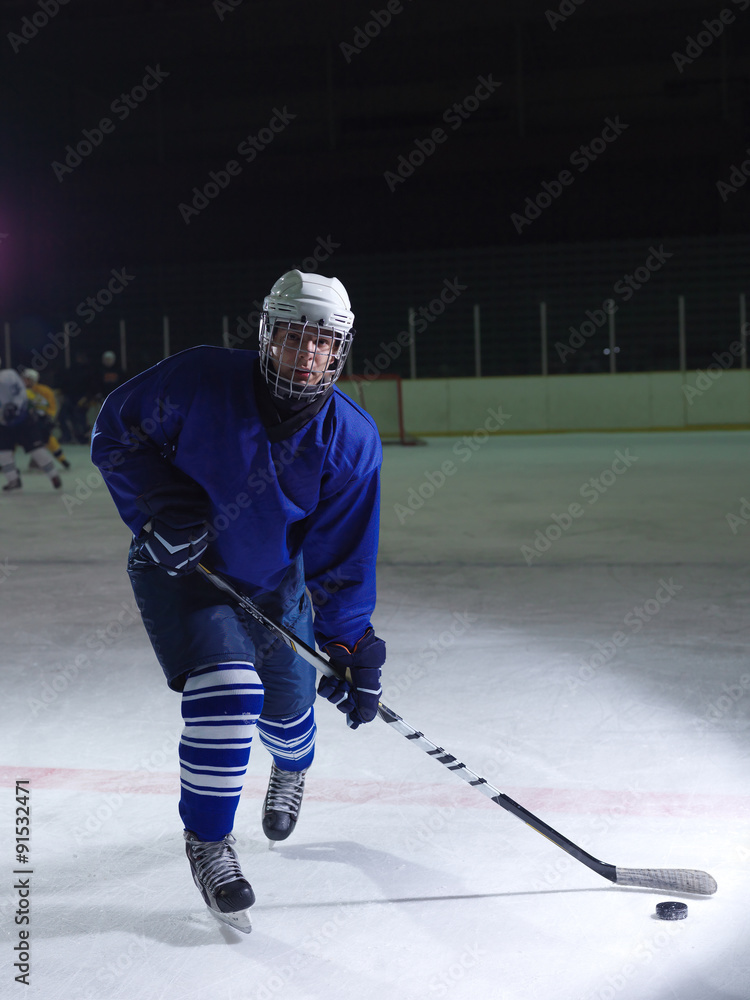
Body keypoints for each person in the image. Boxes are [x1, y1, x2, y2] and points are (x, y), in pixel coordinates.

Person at [90, 271, 385, 933]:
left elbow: (341, 555)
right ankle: (209, 843)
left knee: (288, 715)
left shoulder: (351, 440)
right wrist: (161, 508)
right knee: (228, 693)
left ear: (339, 349)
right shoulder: (199, 380)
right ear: (267, 334)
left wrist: (344, 643)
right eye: (292, 335)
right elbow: (115, 434)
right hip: (181, 569)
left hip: (271, 582)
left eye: (321, 341)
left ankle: (292, 765)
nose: (305, 353)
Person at [0, 366, 62, 491]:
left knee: (37, 450)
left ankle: (53, 475)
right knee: (4, 453)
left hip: (23, 421)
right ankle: (13, 479)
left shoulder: (8, 375)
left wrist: (15, 407)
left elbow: (20, 393)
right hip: (5, 424)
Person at [22, 369, 71, 469]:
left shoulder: (44, 390)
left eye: (26, 379)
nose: (23, 381)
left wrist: (49, 417)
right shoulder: (21, 391)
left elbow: (52, 406)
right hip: (25, 420)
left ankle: (61, 459)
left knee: (47, 438)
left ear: (32, 380)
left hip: (40, 420)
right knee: (13, 439)